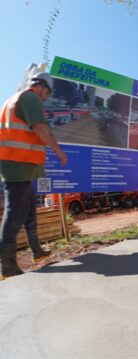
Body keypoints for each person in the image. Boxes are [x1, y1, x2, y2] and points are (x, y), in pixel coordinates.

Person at [0, 72, 68, 280]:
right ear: (38, 86)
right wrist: (59, 151)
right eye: (46, 92)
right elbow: (39, 127)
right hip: (17, 165)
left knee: (29, 212)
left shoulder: (14, 99)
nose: (45, 97)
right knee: (14, 215)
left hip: (22, 166)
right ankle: (7, 265)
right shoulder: (29, 97)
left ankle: (37, 250)